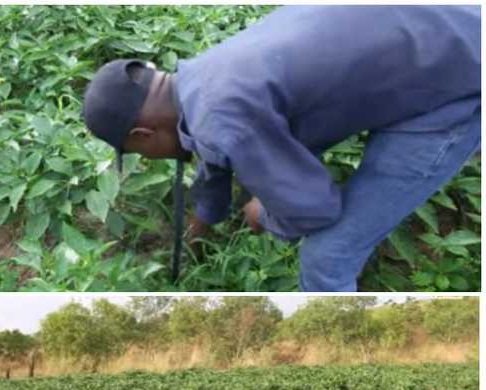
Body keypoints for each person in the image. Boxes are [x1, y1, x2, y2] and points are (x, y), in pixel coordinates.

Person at [82, 6, 481, 291]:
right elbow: (212, 153)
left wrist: (268, 214)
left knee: (326, 257)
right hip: (447, 26)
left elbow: (314, 208)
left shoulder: (223, 119)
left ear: (142, 135)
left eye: (136, 153)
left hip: (455, 87)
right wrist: (203, 220)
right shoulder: (201, 78)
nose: (146, 158)